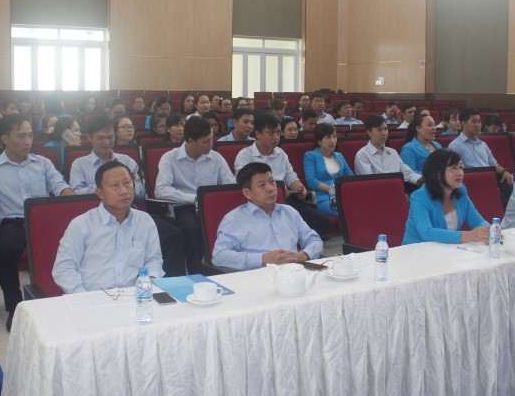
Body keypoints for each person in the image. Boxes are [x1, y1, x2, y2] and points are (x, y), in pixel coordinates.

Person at [0, 114, 73, 331]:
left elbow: (60, 186)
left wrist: (71, 198)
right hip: (14, 223)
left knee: (72, 242)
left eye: (30, 135)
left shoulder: (43, 163)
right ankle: (16, 308)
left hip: (44, 221)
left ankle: (60, 299)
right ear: (5, 138)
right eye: (21, 136)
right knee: (4, 250)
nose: (28, 141)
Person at [69, 115, 186, 276]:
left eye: (110, 137)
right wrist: (105, 186)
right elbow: (75, 194)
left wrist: (129, 185)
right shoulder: (80, 164)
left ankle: (170, 282)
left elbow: (141, 194)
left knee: (173, 234)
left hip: (130, 214)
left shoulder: (126, 160)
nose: (106, 142)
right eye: (101, 138)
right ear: (89, 137)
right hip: (97, 218)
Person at [53, 161, 164, 293]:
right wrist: (84, 297)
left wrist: (147, 283)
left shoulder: (144, 220)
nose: (124, 191)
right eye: (115, 186)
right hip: (92, 296)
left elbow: (153, 260)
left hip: (136, 295)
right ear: (100, 193)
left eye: (127, 183)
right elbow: (64, 269)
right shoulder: (81, 225)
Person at [155, 116, 236, 274]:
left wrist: (211, 199)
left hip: (212, 206)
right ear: (190, 141)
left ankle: (226, 268)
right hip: (184, 207)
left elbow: (231, 184)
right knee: (193, 229)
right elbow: (161, 190)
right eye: (205, 141)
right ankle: (196, 272)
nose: (211, 144)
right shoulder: (170, 158)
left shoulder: (216, 158)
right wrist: (195, 198)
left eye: (212, 139)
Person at [235, 113, 333, 239]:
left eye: (278, 132)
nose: (276, 137)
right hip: (259, 204)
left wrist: (299, 186)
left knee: (323, 222)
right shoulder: (245, 155)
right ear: (258, 134)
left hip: (285, 201)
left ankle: (294, 242)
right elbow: (244, 184)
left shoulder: (281, 153)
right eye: (271, 133)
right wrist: (277, 188)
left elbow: (290, 176)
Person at [212, 163, 324, 271]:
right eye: (262, 185)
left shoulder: (289, 212)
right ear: (247, 193)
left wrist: (303, 255)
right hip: (257, 276)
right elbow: (219, 256)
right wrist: (262, 259)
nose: (271, 188)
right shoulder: (234, 219)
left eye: (272, 182)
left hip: (293, 273)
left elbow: (314, 240)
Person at [402, 149, 489, 244]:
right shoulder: (419, 197)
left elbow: (478, 222)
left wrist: (490, 231)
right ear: (438, 174)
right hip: (418, 250)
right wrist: (468, 236)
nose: (460, 173)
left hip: (449, 249)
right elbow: (427, 233)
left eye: (460, 167)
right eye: (454, 168)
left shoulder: (461, 192)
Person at [448, 108, 515, 188]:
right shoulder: (455, 146)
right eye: (474, 121)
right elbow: (460, 172)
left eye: (479, 121)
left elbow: (494, 164)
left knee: (513, 185)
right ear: (464, 123)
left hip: (491, 180)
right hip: (473, 183)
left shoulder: (483, 144)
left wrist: (505, 171)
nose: (478, 125)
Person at [354, 115, 422, 190]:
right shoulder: (362, 155)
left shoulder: (393, 152)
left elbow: (406, 173)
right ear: (369, 132)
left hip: (396, 191)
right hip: (375, 193)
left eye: (386, 129)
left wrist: (424, 179)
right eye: (379, 130)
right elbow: (370, 182)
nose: (384, 133)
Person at [304, 124, 354, 216]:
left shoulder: (339, 155)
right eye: (328, 137)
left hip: (342, 195)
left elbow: (350, 176)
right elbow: (311, 181)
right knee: (345, 211)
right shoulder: (310, 156)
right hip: (322, 197)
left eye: (334, 136)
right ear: (319, 141)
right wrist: (332, 189)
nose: (332, 141)